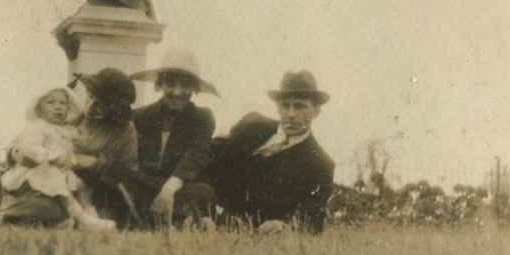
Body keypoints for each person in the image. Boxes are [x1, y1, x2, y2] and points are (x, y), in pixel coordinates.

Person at [0, 87, 116, 229]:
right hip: (35, 172)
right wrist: (53, 157)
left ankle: (89, 215)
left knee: (80, 186)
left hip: (55, 173)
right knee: (58, 188)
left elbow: (74, 144)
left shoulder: (65, 130)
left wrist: (76, 153)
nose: (58, 107)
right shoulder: (38, 127)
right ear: (40, 109)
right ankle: (82, 218)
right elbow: (29, 148)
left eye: (63, 103)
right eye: (51, 103)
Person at [208, 70, 335, 234]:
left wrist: (286, 228)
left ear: (316, 110)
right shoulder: (252, 124)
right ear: (277, 106)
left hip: (247, 234)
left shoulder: (321, 164)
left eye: (300, 106)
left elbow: (311, 220)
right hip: (208, 211)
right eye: (285, 105)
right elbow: (211, 154)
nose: (290, 114)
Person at [127, 47, 218, 227]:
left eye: (185, 85)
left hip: (178, 189)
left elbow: (196, 155)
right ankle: (179, 219)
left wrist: (168, 191)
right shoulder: (140, 116)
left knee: (204, 192)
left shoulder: (203, 117)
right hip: (147, 185)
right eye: (171, 83)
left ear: (195, 88)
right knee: (116, 174)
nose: (177, 92)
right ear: (159, 84)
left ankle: (156, 218)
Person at [69, 67, 140, 225]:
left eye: (100, 104)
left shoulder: (124, 130)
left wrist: (95, 163)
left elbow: (128, 174)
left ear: (114, 109)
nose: (91, 106)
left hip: (100, 194)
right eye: (90, 96)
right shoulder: (71, 116)